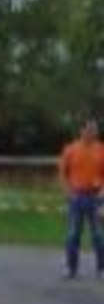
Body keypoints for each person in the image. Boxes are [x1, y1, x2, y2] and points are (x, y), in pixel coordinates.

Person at [58, 119, 104, 279]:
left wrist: (103, 192)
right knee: (73, 234)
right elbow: (63, 173)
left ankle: (101, 268)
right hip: (76, 196)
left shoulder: (101, 149)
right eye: (90, 129)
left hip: (96, 196)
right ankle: (71, 268)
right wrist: (67, 192)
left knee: (98, 235)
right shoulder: (70, 149)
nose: (93, 132)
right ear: (82, 131)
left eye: (95, 130)